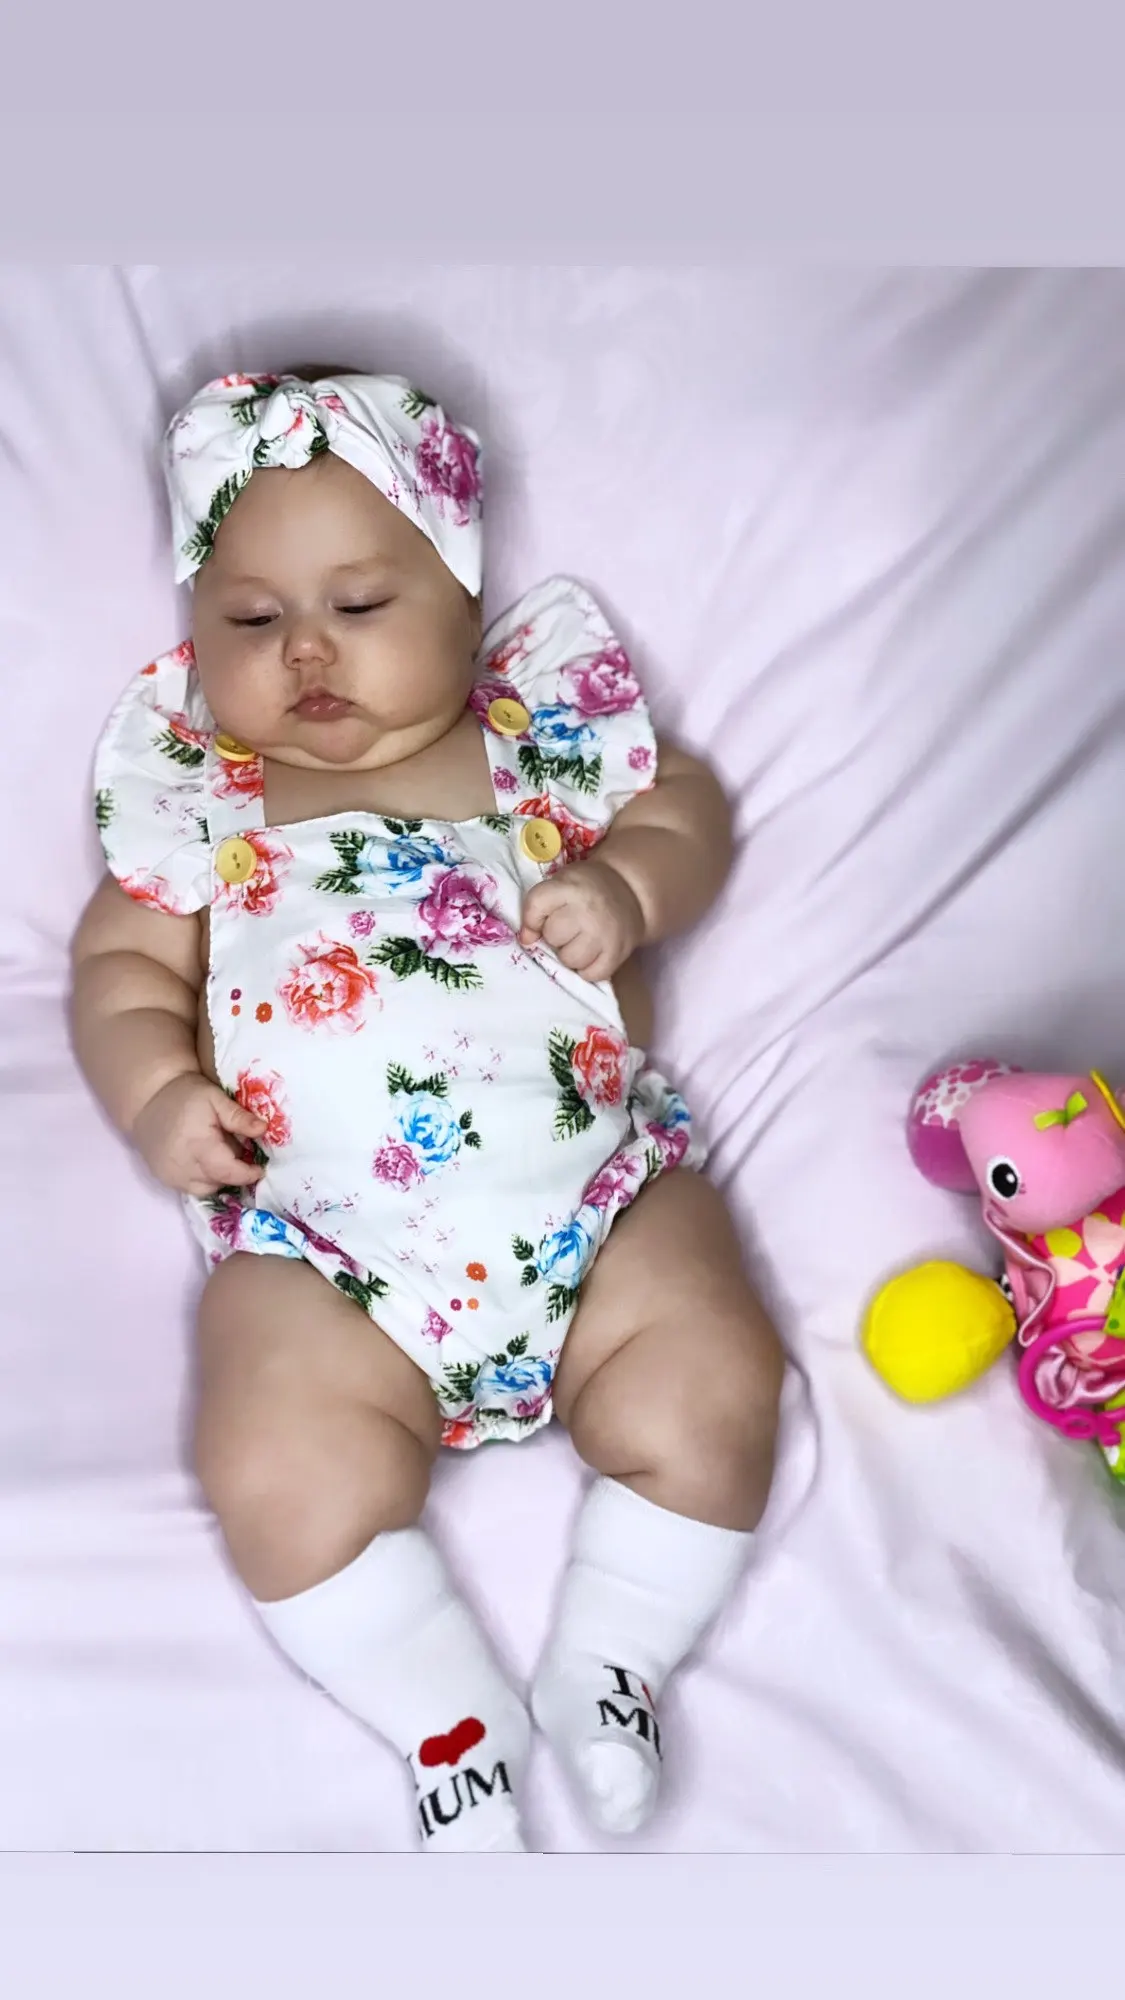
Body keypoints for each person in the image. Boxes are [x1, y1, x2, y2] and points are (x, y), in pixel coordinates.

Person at [71, 369, 784, 1851]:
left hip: (595, 1208)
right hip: (333, 1261)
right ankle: (443, 1718)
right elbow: (123, 970)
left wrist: (630, 885)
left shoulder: (535, 744)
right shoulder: (208, 802)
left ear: (464, 602)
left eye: (360, 604)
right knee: (271, 1460)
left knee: (713, 1370)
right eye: (251, 619)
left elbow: (688, 809)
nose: (306, 650)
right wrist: (159, 1095)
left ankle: (617, 1653)